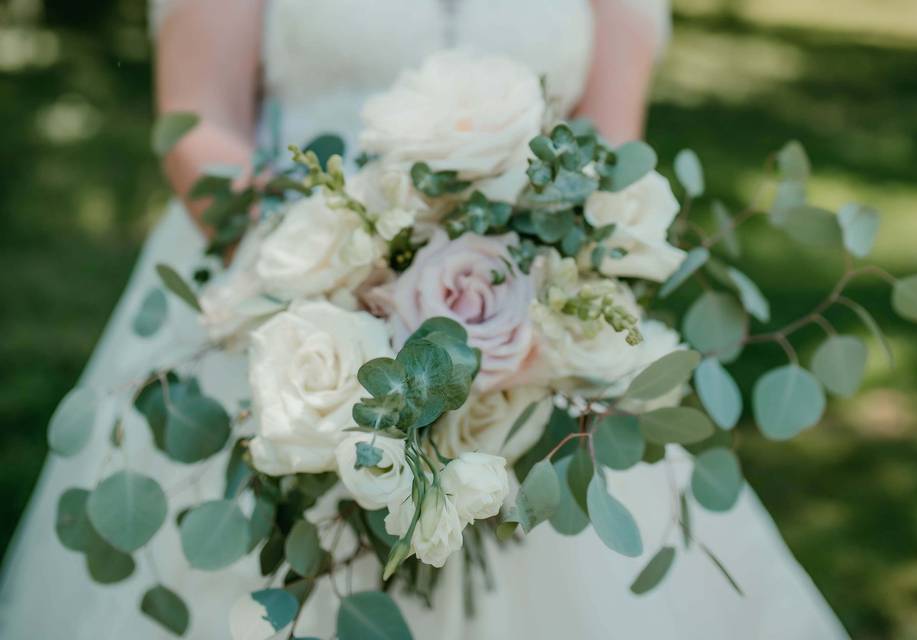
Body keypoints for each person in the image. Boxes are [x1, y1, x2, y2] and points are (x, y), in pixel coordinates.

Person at [0, 1, 849, 637]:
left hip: (533, 318)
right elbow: (199, 129)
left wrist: (526, 293)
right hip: (278, 288)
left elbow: (607, 139)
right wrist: (354, 275)